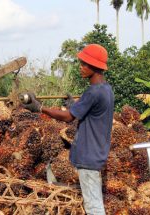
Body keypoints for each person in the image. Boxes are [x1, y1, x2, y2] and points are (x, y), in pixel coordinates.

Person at [22, 44, 114, 215]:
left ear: (94, 67)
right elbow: (90, 112)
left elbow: (68, 117)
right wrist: (75, 105)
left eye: (84, 64)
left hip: (89, 156)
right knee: (93, 200)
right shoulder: (106, 90)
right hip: (97, 152)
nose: (81, 67)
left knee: (94, 206)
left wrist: (40, 108)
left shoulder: (93, 92)